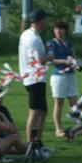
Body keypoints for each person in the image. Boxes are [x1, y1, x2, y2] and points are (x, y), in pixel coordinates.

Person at [18, 9, 52, 145]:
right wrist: (49, 57)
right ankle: (30, 143)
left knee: (42, 112)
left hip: (33, 77)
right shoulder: (33, 39)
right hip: (34, 78)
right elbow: (37, 61)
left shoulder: (27, 34)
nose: (46, 22)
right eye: (45, 19)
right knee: (35, 112)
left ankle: (38, 141)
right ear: (40, 21)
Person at [46, 20, 79, 137]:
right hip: (58, 75)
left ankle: (77, 128)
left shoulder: (68, 43)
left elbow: (74, 57)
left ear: (65, 30)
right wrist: (65, 61)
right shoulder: (51, 43)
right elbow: (50, 60)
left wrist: (77, 64)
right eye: (56, 29)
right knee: (59, 103)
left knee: (74, 102)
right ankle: (58, 129)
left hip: (70, 74)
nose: (58, 31)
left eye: (61, 29)